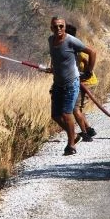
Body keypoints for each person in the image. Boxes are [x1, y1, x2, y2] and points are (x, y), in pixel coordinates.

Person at [46, 16, 96, 156]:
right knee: (55, 115)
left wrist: (88, 72)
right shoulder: (51, 40)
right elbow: (56, 58)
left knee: (66, 113)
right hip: (58, 83)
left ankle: (71, 145)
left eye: (61, 26)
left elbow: (92, 52)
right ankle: (74, 135)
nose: (58, 29)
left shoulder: (71, 41)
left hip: (71, 83)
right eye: (55, 27)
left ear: (65, 27)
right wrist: (53, 68)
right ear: (51, 28)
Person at [65, 23, 98, 142]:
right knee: (78, 108)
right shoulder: (70, 47)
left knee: (74, 109)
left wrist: (88, 72)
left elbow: (92, 54)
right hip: (82, 82)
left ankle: (85, 135)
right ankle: (89, 129)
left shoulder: (77, 48)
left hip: (86, 83)